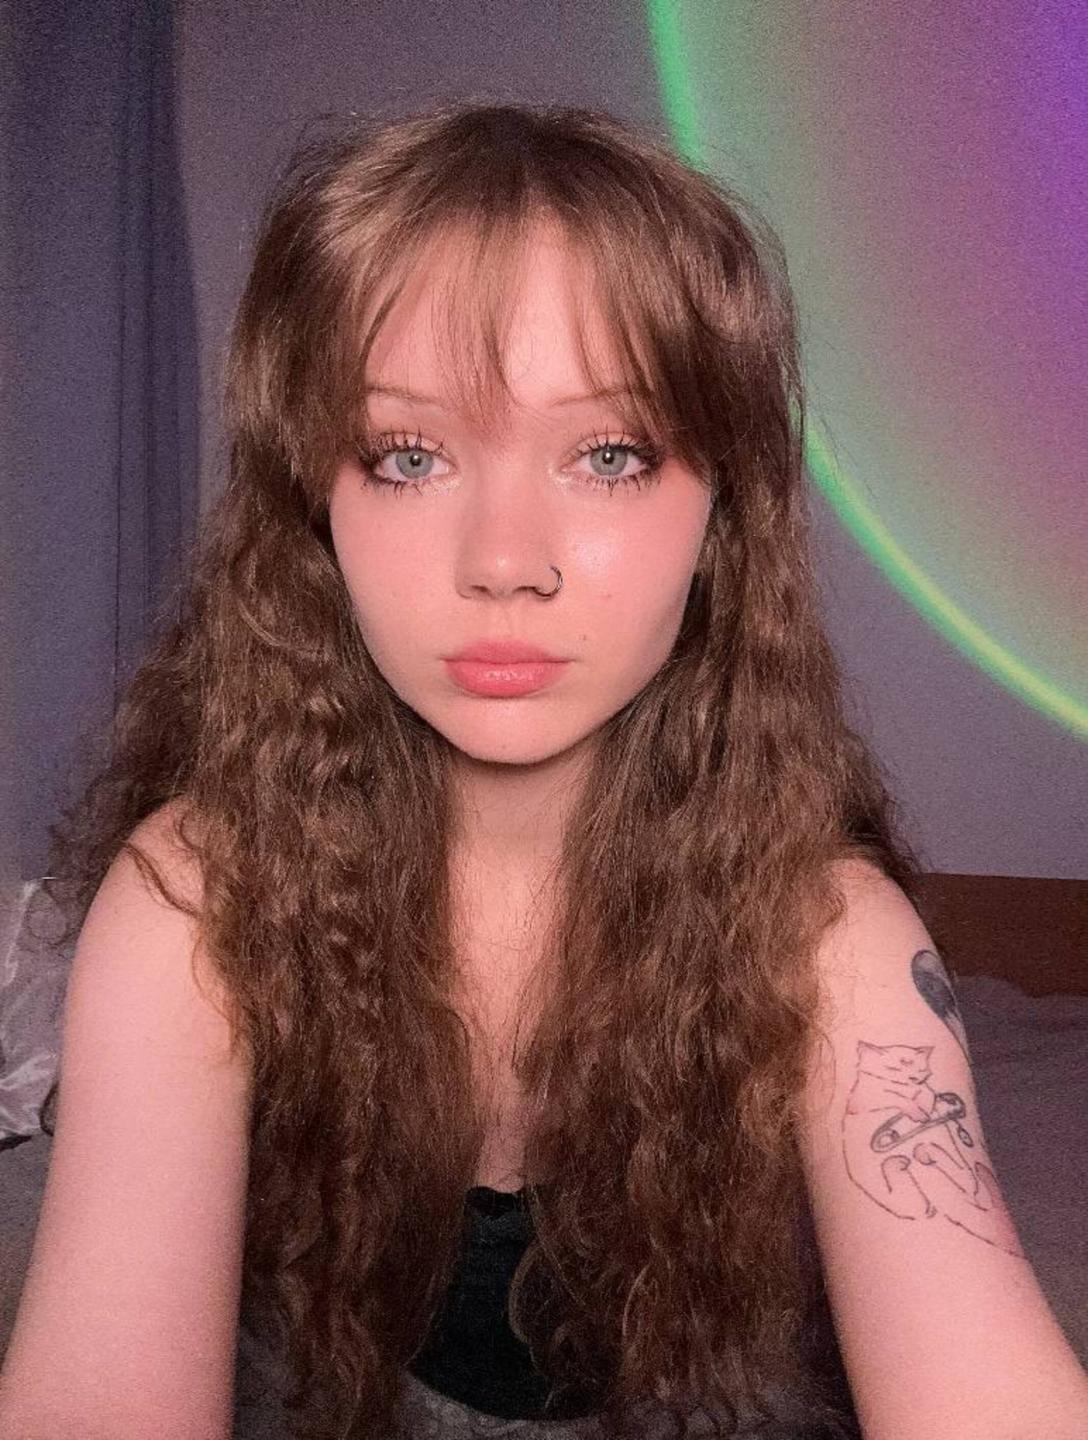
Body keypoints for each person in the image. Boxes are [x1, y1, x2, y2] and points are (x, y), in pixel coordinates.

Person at [1, 99, 1086, 1440]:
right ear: (316, 507)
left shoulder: (829, 940)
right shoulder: (198, 904)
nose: (504, 560)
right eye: (408, 456)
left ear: (722, 511)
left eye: (609, 456)